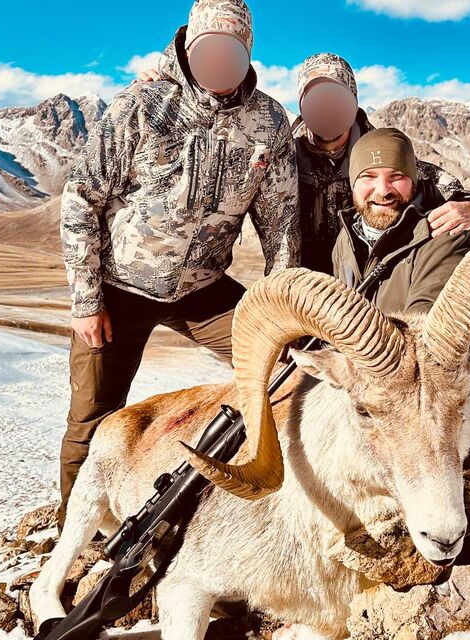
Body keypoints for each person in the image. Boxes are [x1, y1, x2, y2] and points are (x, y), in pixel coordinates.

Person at [58, 0, 299, 529]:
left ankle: (269, 496)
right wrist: (86, 300)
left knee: (287, 371)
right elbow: (81, 199)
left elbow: (280, 225)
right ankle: (72, 539)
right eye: (208, 49)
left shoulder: (269, 121)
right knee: (92, 418)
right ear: (188, 49)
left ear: (248, 52)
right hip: (120, 288)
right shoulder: (141, 105)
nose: (219, 61)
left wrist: (282, 313)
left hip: (203, 287)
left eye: (231, 50)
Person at [334, 127, 470, 510]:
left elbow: (419, 346)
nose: (383, 190)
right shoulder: (346, 241)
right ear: (352, 184)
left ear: (415, 180)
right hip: (394, 424)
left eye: (396, 176)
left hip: (457, 434)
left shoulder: (444, 239)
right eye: (368, 178)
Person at [139, 52, 470, 275]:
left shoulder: (380, 155)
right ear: (303, 104)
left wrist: (469, 209)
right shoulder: (278, 153)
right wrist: (173, 84)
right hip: (303, 291)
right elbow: (209, 159)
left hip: (369, 284)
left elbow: (455, 191)